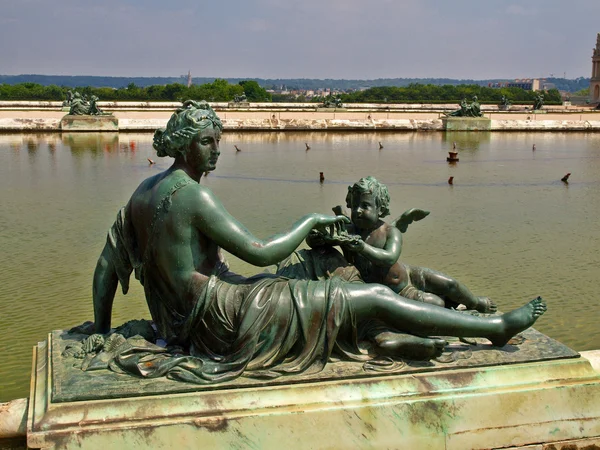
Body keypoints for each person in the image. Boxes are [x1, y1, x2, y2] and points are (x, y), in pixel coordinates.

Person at [89, 100, 546, 383]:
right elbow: (263, 252)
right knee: (368, 294)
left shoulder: (141, 194)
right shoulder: (193, 197)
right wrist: (309, 220)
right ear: (186, 145)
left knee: (327, 274)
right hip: (224, 322)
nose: (217, 150)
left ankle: (386, 338)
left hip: (182, 324)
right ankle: (494, 328)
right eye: (208, 142)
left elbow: (106, 271)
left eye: (218, 141)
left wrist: (102, 329)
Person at [306, 176, 496, 313]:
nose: (358, 211)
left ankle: (475, 303)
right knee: (436, 304)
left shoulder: (390, 232)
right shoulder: (347, 230)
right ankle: (448, 305)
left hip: (411, 275)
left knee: (450, 284)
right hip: (398, 291)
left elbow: (389, 257)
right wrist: (315, 239)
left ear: (380, 208)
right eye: (354, 206)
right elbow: (323, 236)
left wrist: (362, 247)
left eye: (365, 206)